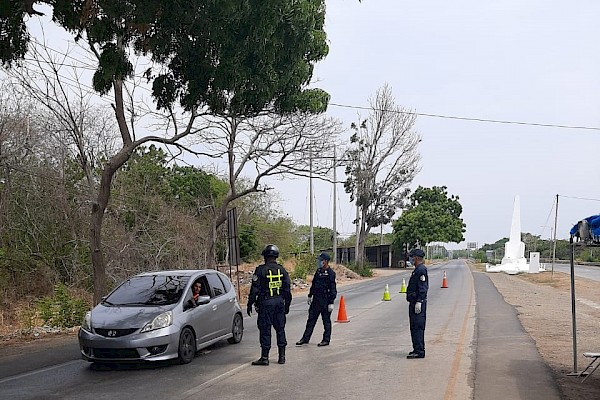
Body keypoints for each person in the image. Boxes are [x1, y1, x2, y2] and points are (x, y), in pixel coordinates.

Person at [247, 244, 292, 366]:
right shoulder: (282, 270)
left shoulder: (260, 270)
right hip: (279, 303)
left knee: (265, 330)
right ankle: (282, 357)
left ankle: (265, 357)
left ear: (265, 257)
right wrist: (287, 305)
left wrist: (250, 303)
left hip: (266, 304)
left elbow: (254, 289)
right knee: (280, 330)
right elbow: (287, 289)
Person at [296, 252, 337, 347]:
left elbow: (333, 289)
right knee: (311, 320)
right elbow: (314, 285)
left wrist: (331, 302)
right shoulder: (318, 271)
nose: (319, 262)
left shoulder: (330, 273)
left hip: (325, 301)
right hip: (316, 300)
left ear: (325, 261)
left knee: (326, 321)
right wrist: (310, 295)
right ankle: (305, 338)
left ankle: (326, 340)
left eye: (320, 260)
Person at [405, 248, 428, 359]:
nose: (411, 259)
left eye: (412, 257)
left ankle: (419, 351)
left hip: (417, 303)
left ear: (417, 258)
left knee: (418, 327)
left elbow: (423, 287)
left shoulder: (421, 270)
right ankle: (416, 349)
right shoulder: (417, 269)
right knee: (414, 327)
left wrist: (419, 301)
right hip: (413, 302)